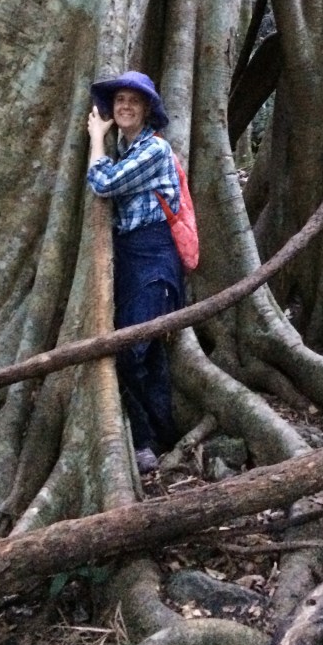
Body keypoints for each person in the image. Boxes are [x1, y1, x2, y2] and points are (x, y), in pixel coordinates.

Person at [86, 71, 185, 475]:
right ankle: (161, 436)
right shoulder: (127, 150)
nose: (125, 107)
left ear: (147, 110)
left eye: (134, 101)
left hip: (154, 258)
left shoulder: (154, 151)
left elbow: (104, 184)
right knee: (148, 353)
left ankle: (146, 442)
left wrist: (95, 140)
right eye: (120, 100)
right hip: (127, 260)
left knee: (131, 349)